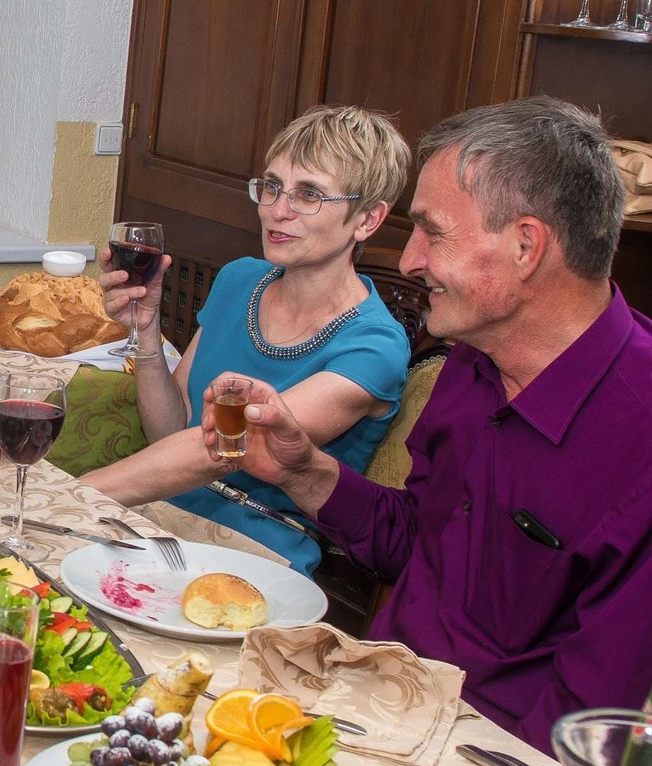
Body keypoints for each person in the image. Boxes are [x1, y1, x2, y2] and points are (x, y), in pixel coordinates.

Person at [231, 96, 652, 744]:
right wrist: (305, 471)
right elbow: (420, 546)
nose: (408, 259)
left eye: (433, 230)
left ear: (525, 246)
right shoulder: (478, 356)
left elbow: (601, 736)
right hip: (378, 702)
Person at [81, 105, 414, 572]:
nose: (278, 210)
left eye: (309, 194)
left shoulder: (374, 344)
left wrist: (71, 494)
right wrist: (147, 329)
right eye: (273, 186)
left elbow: (231, 448)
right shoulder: (241, 279)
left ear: (367, 220)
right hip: (162, 515)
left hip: (255, 550)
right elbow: (172, 428)